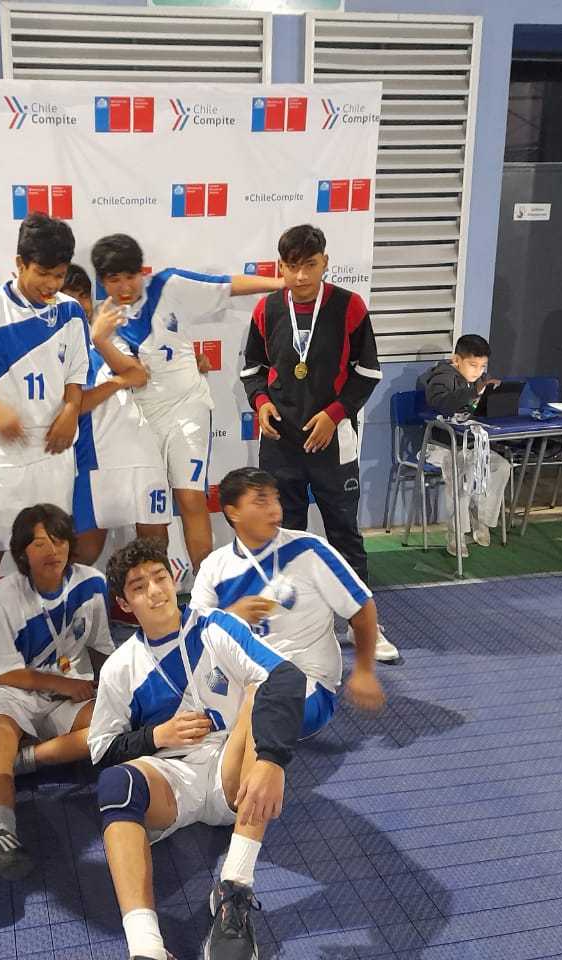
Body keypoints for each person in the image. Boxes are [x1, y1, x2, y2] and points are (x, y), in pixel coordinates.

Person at [89, 538, 307, 960]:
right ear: (125, 603)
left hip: (231, 766)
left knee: (259, 689)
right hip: (172, 779)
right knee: (116, 785)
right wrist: (157, 736)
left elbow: (286, 677)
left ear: (174, 579)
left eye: (160, 577)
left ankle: (233, 891)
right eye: (139, 587)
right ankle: (146, 946)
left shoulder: (215, 627)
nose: (155, 591)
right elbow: (102, 750)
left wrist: (272, 761)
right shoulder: (121, 667)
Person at [240, 224, 398, 662]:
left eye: (310, 265)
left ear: (325, 262)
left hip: (333, 440)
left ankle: (364, 628)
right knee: (284, 536)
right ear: (281, 267)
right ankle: (290, 628)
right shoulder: (268, 308)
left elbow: (368, 372)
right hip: (280, 443)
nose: (301, 275)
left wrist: (334, 414)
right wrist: (261, 404)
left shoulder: (349, 306)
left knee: (344, 535)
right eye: (292, 266)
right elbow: (252, 369)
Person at [90, 235, 285, 571]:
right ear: (102, 281)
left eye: (130, 276)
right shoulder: (104, 319)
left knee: (191, 498)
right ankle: (159, 587)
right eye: (113, 279)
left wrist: (281, 284)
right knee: (150, 512)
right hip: (141, 420)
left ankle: (206, 588)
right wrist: (100, 338)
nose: (124, 287)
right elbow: (135, 375)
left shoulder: (169, 285)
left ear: (142, 272)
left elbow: (227, 285)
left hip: (187, 409)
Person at [0, 504, 114, 880]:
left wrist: (118, 695)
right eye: (40, 544)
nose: (52, 551)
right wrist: (64, 684)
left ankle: (23, 760)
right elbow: (2, 672)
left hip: (70, 690)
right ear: (22, 553)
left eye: (59, 541)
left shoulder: (93, 583)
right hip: (15, 690)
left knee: (111, 726)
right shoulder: (3, 595)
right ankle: (0, 831)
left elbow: (101, 646)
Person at [190, 467, 386, 735]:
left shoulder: (308, 550)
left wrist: (364, 670)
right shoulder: (214, 566)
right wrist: (230, 617)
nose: (275, 510)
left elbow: (362, 607)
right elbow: (192, 632)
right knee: (185, 707)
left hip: (305, 679)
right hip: (240, 677)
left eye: (276, 499)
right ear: (233, 512)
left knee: (254, 719)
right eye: (261, 501)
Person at [0, 213, 90, 589]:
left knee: (53, 545)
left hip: (55, 448)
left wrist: (71, 411)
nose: (51, 284)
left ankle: (50, 616)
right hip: (5, 451)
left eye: (59, 275)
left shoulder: (71, 311)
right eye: (43, 273)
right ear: (20, 263)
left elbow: (77, 373)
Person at [58, 265, 172, 563]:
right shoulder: (51, 349)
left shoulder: (106, 337)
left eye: (83, 296)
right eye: (69, 297)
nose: (79, 304)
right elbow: (75, 405)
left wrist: (100, 340)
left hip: (140, 452)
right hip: (93, 460)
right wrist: (118, 383)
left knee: (155, 544)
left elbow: (139, 375)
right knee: (84, 552)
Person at [417, 335, 513, 557]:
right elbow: (440, 402)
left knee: (501, 467)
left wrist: (496, 399)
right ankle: (456, 533)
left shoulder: (480, 380)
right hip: (442, 446)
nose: (478, 371)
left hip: (471, 445)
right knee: (462, 472)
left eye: (482, 366)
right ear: (456, 360)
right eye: (473, 365)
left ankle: (482, 519)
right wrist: (474, 391)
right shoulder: (442, 377)